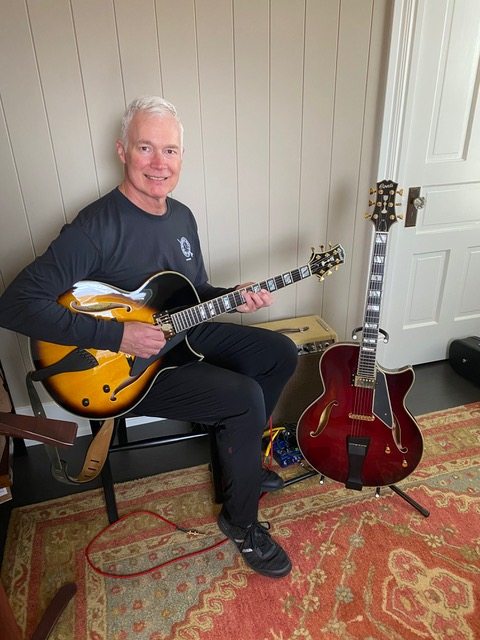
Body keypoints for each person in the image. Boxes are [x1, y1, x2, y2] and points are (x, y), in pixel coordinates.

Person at [0, 96, 298, 578]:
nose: (160, 164)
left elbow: (192, 293)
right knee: (243, 399)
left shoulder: (181, 217)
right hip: (122, 372)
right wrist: (117, 337)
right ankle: (241, 522)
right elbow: (14, 305)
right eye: (146, 148)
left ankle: (236, 469)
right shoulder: (95, 227)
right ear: (122, 151)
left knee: (279, 353)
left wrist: (233, 295)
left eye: (171, 151)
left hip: (180, 337)